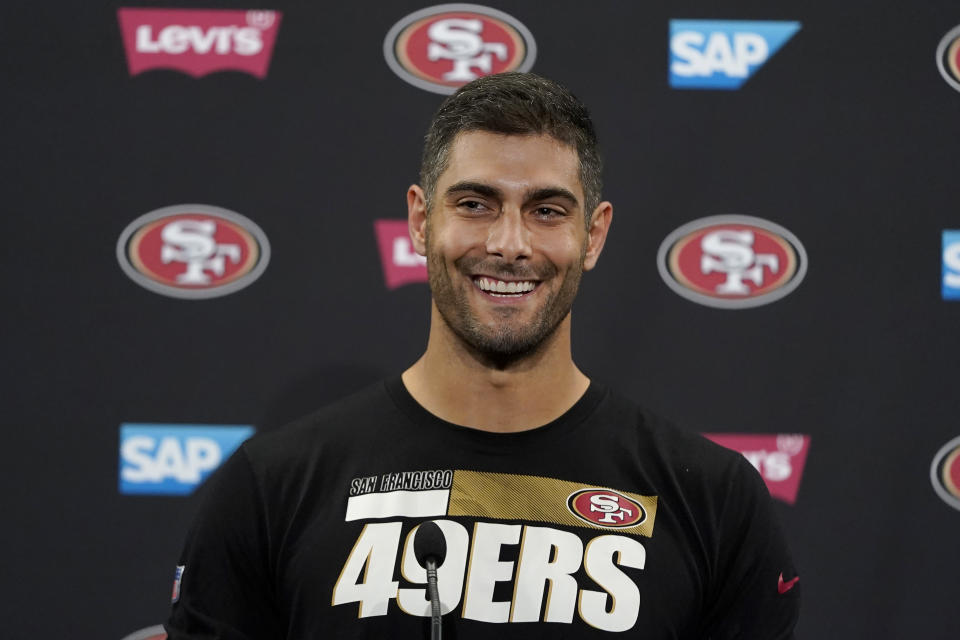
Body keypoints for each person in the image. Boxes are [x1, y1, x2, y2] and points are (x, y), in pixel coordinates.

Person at [164, 72, 800, 639]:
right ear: (419, 220)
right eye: (475, 204)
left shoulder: (714, 501)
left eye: (547, 211)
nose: (508, 243)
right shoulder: (270, 488)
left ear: (594, 234)